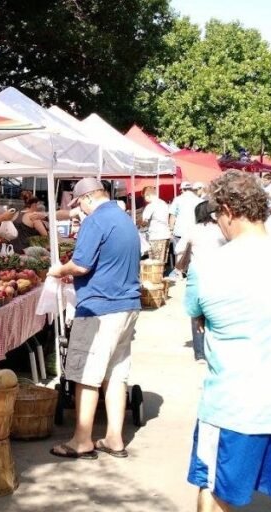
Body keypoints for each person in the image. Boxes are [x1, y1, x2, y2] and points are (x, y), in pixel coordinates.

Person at [185, 170, 271, 511]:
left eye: (217, 216)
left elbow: (195, 310)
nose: (217, 224)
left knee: (216, 494)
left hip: (236, 408)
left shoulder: (211, 265)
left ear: (228, 210)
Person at [48, 178, 141, 459]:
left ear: (87, 198)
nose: (81, 211)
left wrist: (57, 269)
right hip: (127, 305)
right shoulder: (125, 219)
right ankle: (114, 438)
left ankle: (82, 440)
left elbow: (81, 264)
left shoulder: (96, 221)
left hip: (100, 308)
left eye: (79, 205)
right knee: (115, 374)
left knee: (86, 374)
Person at [185, 201, 227, 362]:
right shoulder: (221, 230)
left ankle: (200, 353)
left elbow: (179, 249)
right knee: (215, 313)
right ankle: (214, 348)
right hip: (218, 275)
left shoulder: (193, 230)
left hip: (197, 275)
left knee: (197, 313)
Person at [168, 182, 205, 279]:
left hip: (179, 231)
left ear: (182, 189)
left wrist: (171, 229)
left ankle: (178, 273)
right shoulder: (199, 200)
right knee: (193, 252)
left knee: (179, 252)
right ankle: (191, 273)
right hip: (194, 230)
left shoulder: (178, 199)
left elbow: (172, 215)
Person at [140, 186, 172, 264]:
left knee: (155, 262)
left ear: (148, 195)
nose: (145, 199)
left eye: (144, 197)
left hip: (156, 236)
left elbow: (144, 222)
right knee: (162, 262)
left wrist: (139, 222)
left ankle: (157, 276)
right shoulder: (163, 203)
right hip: (166, 234)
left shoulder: (151, 206)